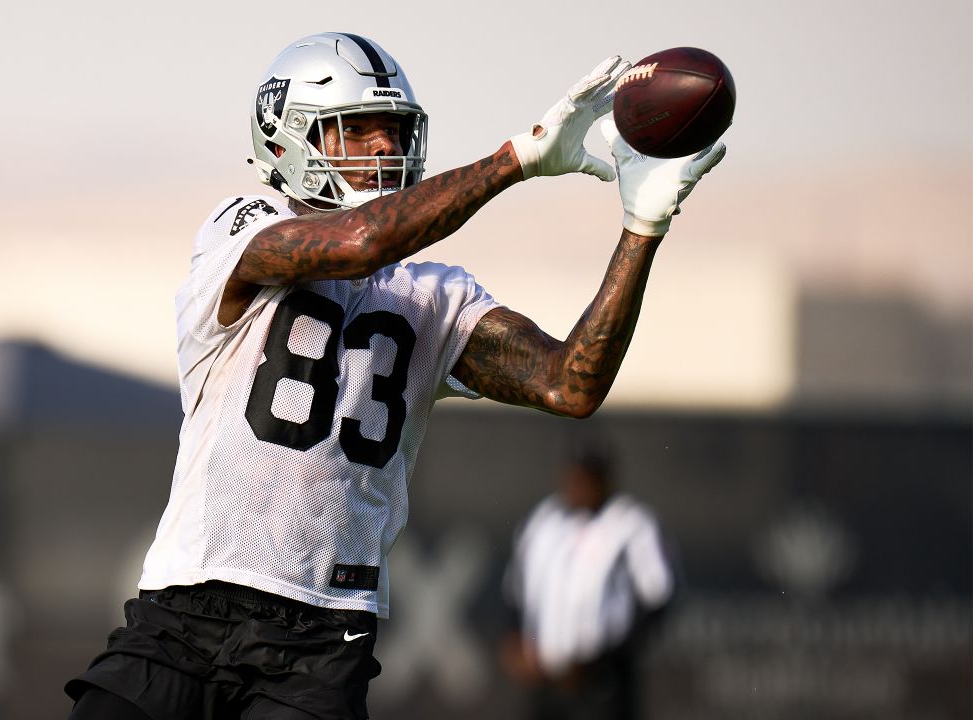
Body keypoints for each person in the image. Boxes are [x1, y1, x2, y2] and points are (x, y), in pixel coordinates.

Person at [64, 32, 723, 720]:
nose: (384, 146)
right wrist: (516, 160)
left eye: (393, 128)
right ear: (289, 138)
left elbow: (571, 382)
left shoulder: (435, 295)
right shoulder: (241, 227)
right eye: (357, 128)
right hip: (184, 611)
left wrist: (641, 228)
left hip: (324, 638)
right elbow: (356, 245)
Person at [501, 450, 675, 720]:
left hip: (603, 683)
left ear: (605, 481)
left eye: (588, 479)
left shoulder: (631, 523)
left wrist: (600, 661)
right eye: (575, 477)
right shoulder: (543, 520)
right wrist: (517, 639)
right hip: (546, 681)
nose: (579, 487)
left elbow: (657, 600)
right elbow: (515, 590)